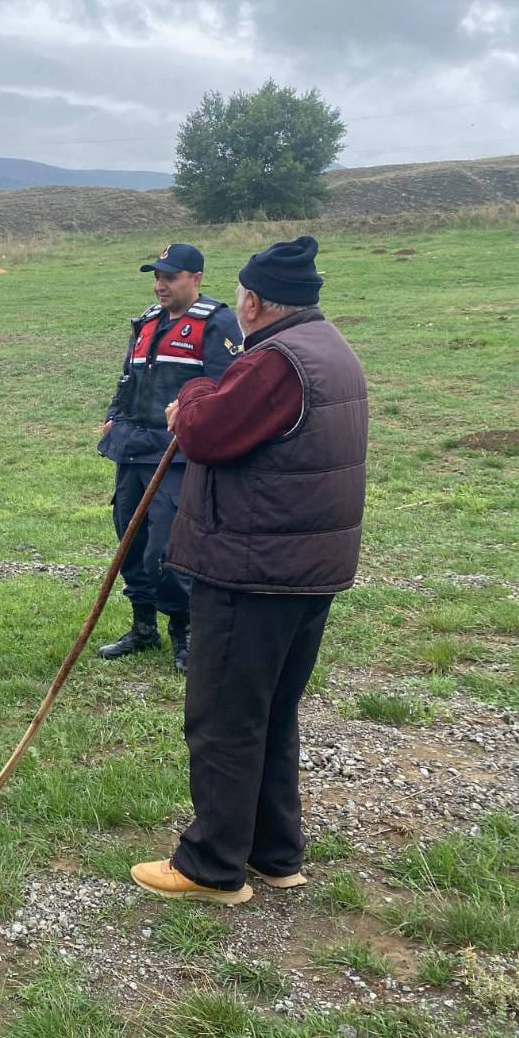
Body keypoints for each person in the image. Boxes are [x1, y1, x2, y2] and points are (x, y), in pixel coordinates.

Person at [131, 236, 367, 905]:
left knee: (225, 717)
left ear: (256, 302)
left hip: (253, 568)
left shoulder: (275, 361)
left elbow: (205, 432)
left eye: (241, 296)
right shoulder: (331, 347)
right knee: (270, 710)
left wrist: (194, 394)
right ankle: (273, 851)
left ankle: (211, 865)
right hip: (306, 566)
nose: (239, 307)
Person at [97, 243, 242, 673]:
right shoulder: (145, 323)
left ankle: (185, 631)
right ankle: (143, 627)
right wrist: (112, 416)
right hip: (131, 449)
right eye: (157, 276)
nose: (160, 284)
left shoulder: (217, 324)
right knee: (130, 539)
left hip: (176, 455)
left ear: (195, 279)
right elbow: (128, 378)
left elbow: (224, 388)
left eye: (170, 277)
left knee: (167, 547)